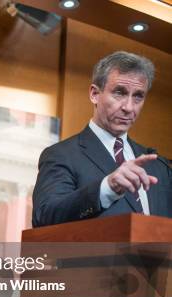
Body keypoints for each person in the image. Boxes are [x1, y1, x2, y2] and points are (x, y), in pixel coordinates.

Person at [33, 51, 171, 227]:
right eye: (119, 93)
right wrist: (107, 187)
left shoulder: (158, 166)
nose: (129, 107)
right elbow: (44, 216)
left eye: (138, 96)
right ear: (94, 94)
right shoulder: (61, 155)